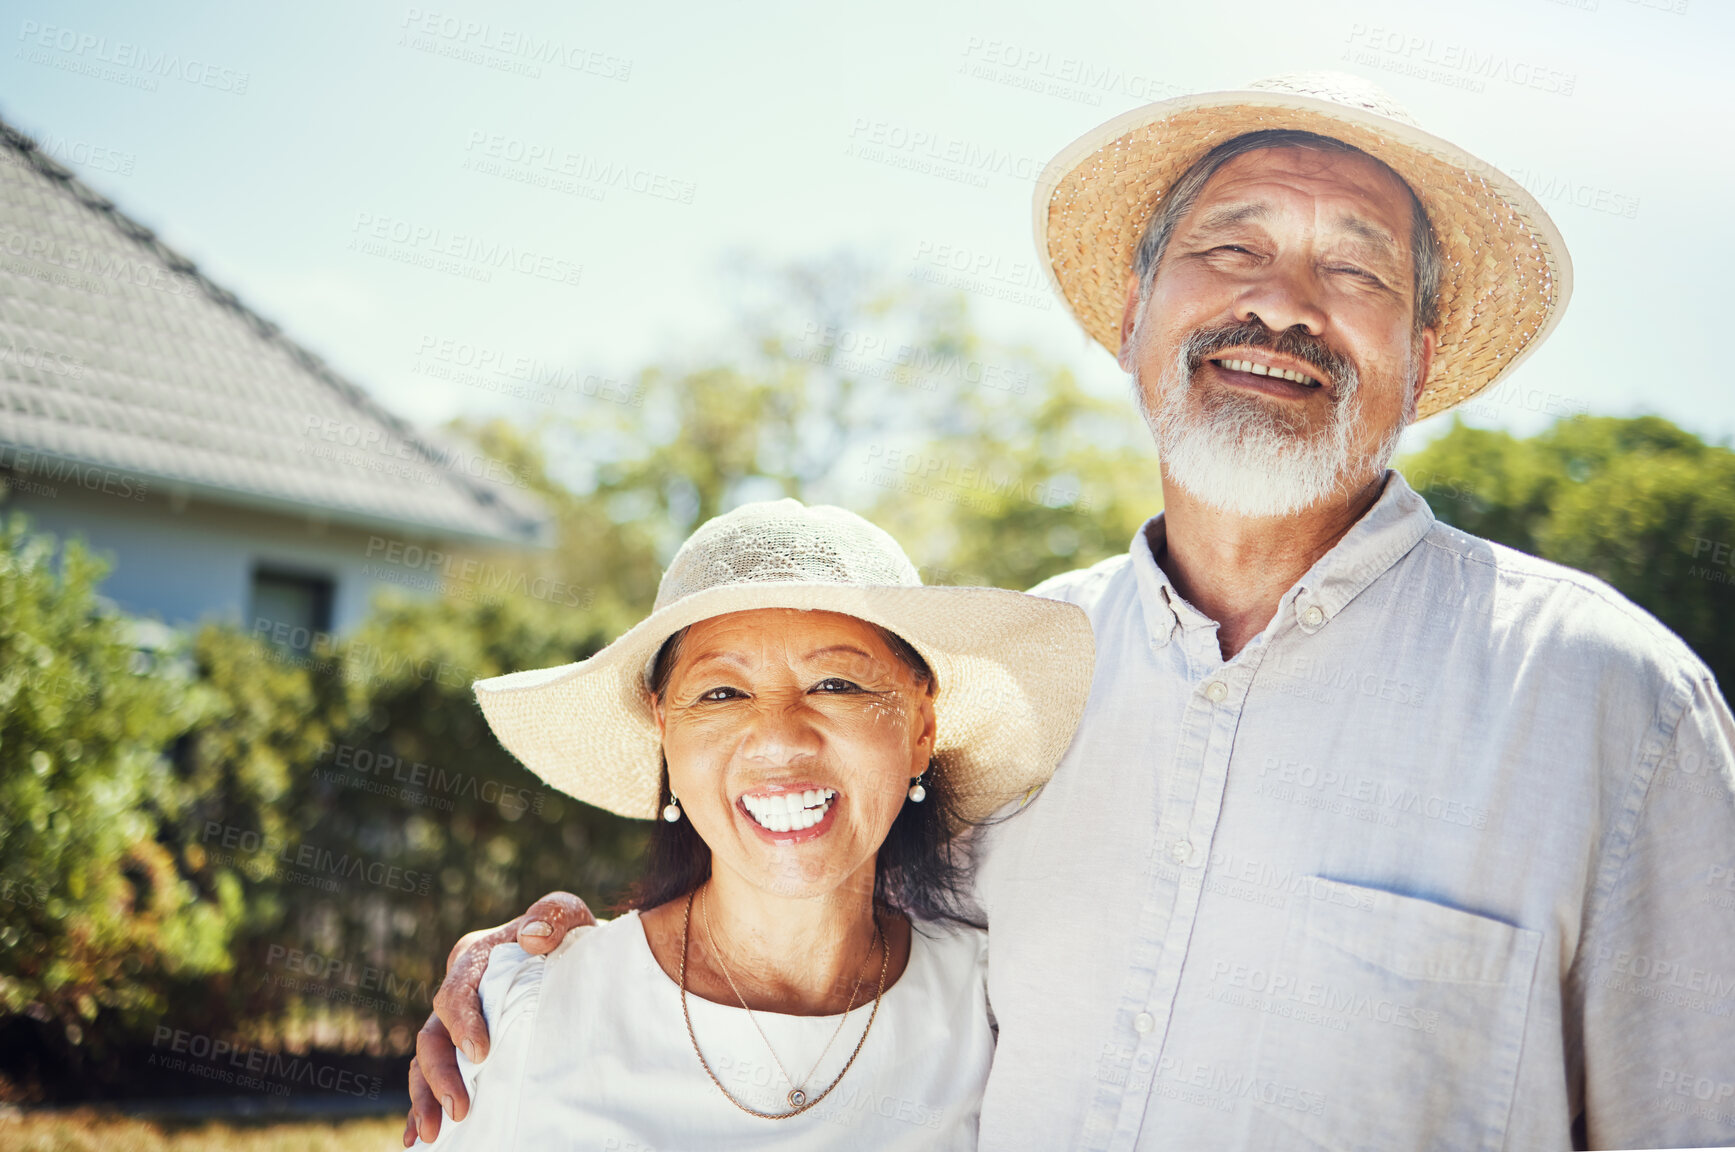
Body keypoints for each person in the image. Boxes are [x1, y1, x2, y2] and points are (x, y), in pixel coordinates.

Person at [408, 72, 1735, 1150]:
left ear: (1424, 359)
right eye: (1230, 246)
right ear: (1129, 312)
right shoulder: (1021, 687)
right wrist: (557, 977)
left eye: (1357, 270)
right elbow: (826, 925)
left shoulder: (1607, 704)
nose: (1279, 301)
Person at [410, 498, 1093, 1148]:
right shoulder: (527, 1010)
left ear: (920, 727)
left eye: (837, 685)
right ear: (663, 732)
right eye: (722, 693)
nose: (779, 740)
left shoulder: (994, 1007)